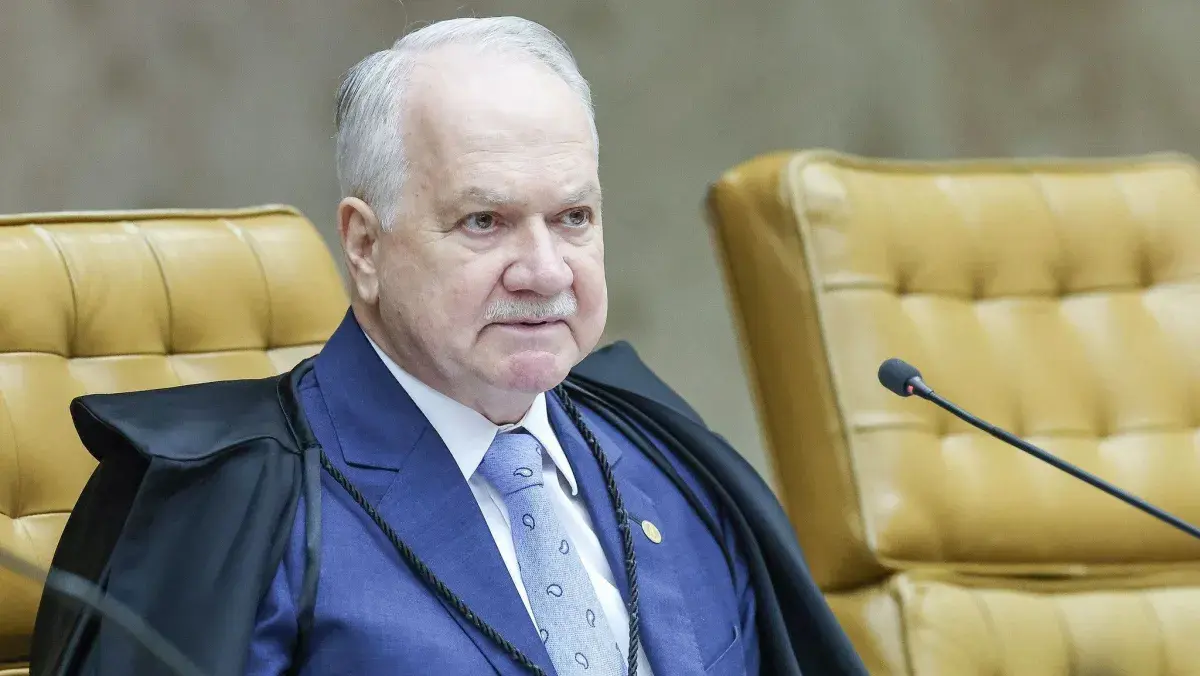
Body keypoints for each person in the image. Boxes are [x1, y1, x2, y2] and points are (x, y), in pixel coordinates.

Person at [29, 16, 866, 676]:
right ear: (365, 246)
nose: (545, 271)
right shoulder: (236, 510)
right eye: (484, 221)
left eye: (573, 217)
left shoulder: (669, 459)